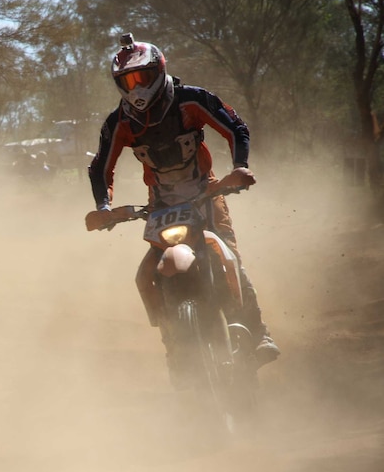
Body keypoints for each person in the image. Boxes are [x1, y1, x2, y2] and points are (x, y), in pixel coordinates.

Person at [85, 33, 280, 378]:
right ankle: (174, 347)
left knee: (228, 254)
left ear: (158, 70)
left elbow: (235, 127)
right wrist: (104, 206)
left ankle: (257, 331)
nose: (136, 88)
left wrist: (239, 167)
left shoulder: (190, 100)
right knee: (146, 274)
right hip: (160, 203)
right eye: (127, 81)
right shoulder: (120, 122)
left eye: (141, 77)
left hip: (207, 191)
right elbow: (100, 166)